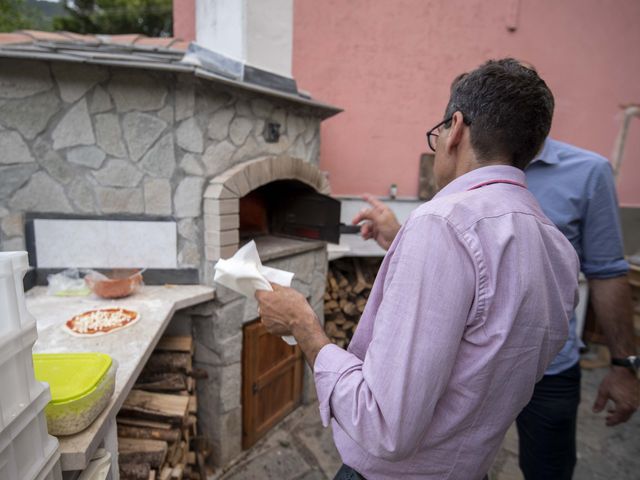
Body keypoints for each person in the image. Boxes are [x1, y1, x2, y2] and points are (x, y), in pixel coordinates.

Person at [255, 58, 580, 480]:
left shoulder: (442, 224)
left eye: (440, 129)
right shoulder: (556, 247)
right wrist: (401, 240)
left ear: (457, 128)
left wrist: (304, 327)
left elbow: (384, 427)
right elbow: (484, 315)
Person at [351, 108, 640, 479]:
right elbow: (468, 259)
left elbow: (608, 271)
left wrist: (624, 364)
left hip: (548, 368)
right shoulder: (459, 188)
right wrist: (400, 238)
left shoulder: (589, 172)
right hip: (470, 373)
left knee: (548, 468)